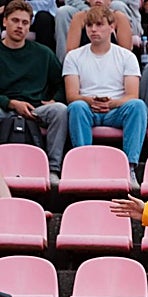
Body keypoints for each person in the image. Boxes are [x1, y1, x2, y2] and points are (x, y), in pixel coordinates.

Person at [64, 5, 146, 191]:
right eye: (90, 25)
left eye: (99, 25)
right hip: (87, 109)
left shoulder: (127, 56)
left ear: (112, 27)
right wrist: (91, 101)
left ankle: (129, 168)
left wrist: (112, 103)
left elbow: (132, 94)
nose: (93, 30)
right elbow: (72, 95)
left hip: (116, 110)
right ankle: (83, 165)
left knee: (137, 106)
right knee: (76, 107)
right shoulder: (74, 57)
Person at [0, 0, 68, 186]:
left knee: (60, 110)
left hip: (35, 109)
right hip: (3, 108)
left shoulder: (43, 53)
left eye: (25, 23)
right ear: (5, 21)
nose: (20, 26)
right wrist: (10, 103)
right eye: (15, 21)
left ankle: (53, 169)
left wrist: (55, 99)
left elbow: (62, 82)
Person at [62, 0, 134, 58]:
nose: (98, 0)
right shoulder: (79, 18)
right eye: (89, 25)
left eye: (99, 24)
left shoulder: (119, 18)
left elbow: (126, 53)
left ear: (110, 1)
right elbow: (71, 53)